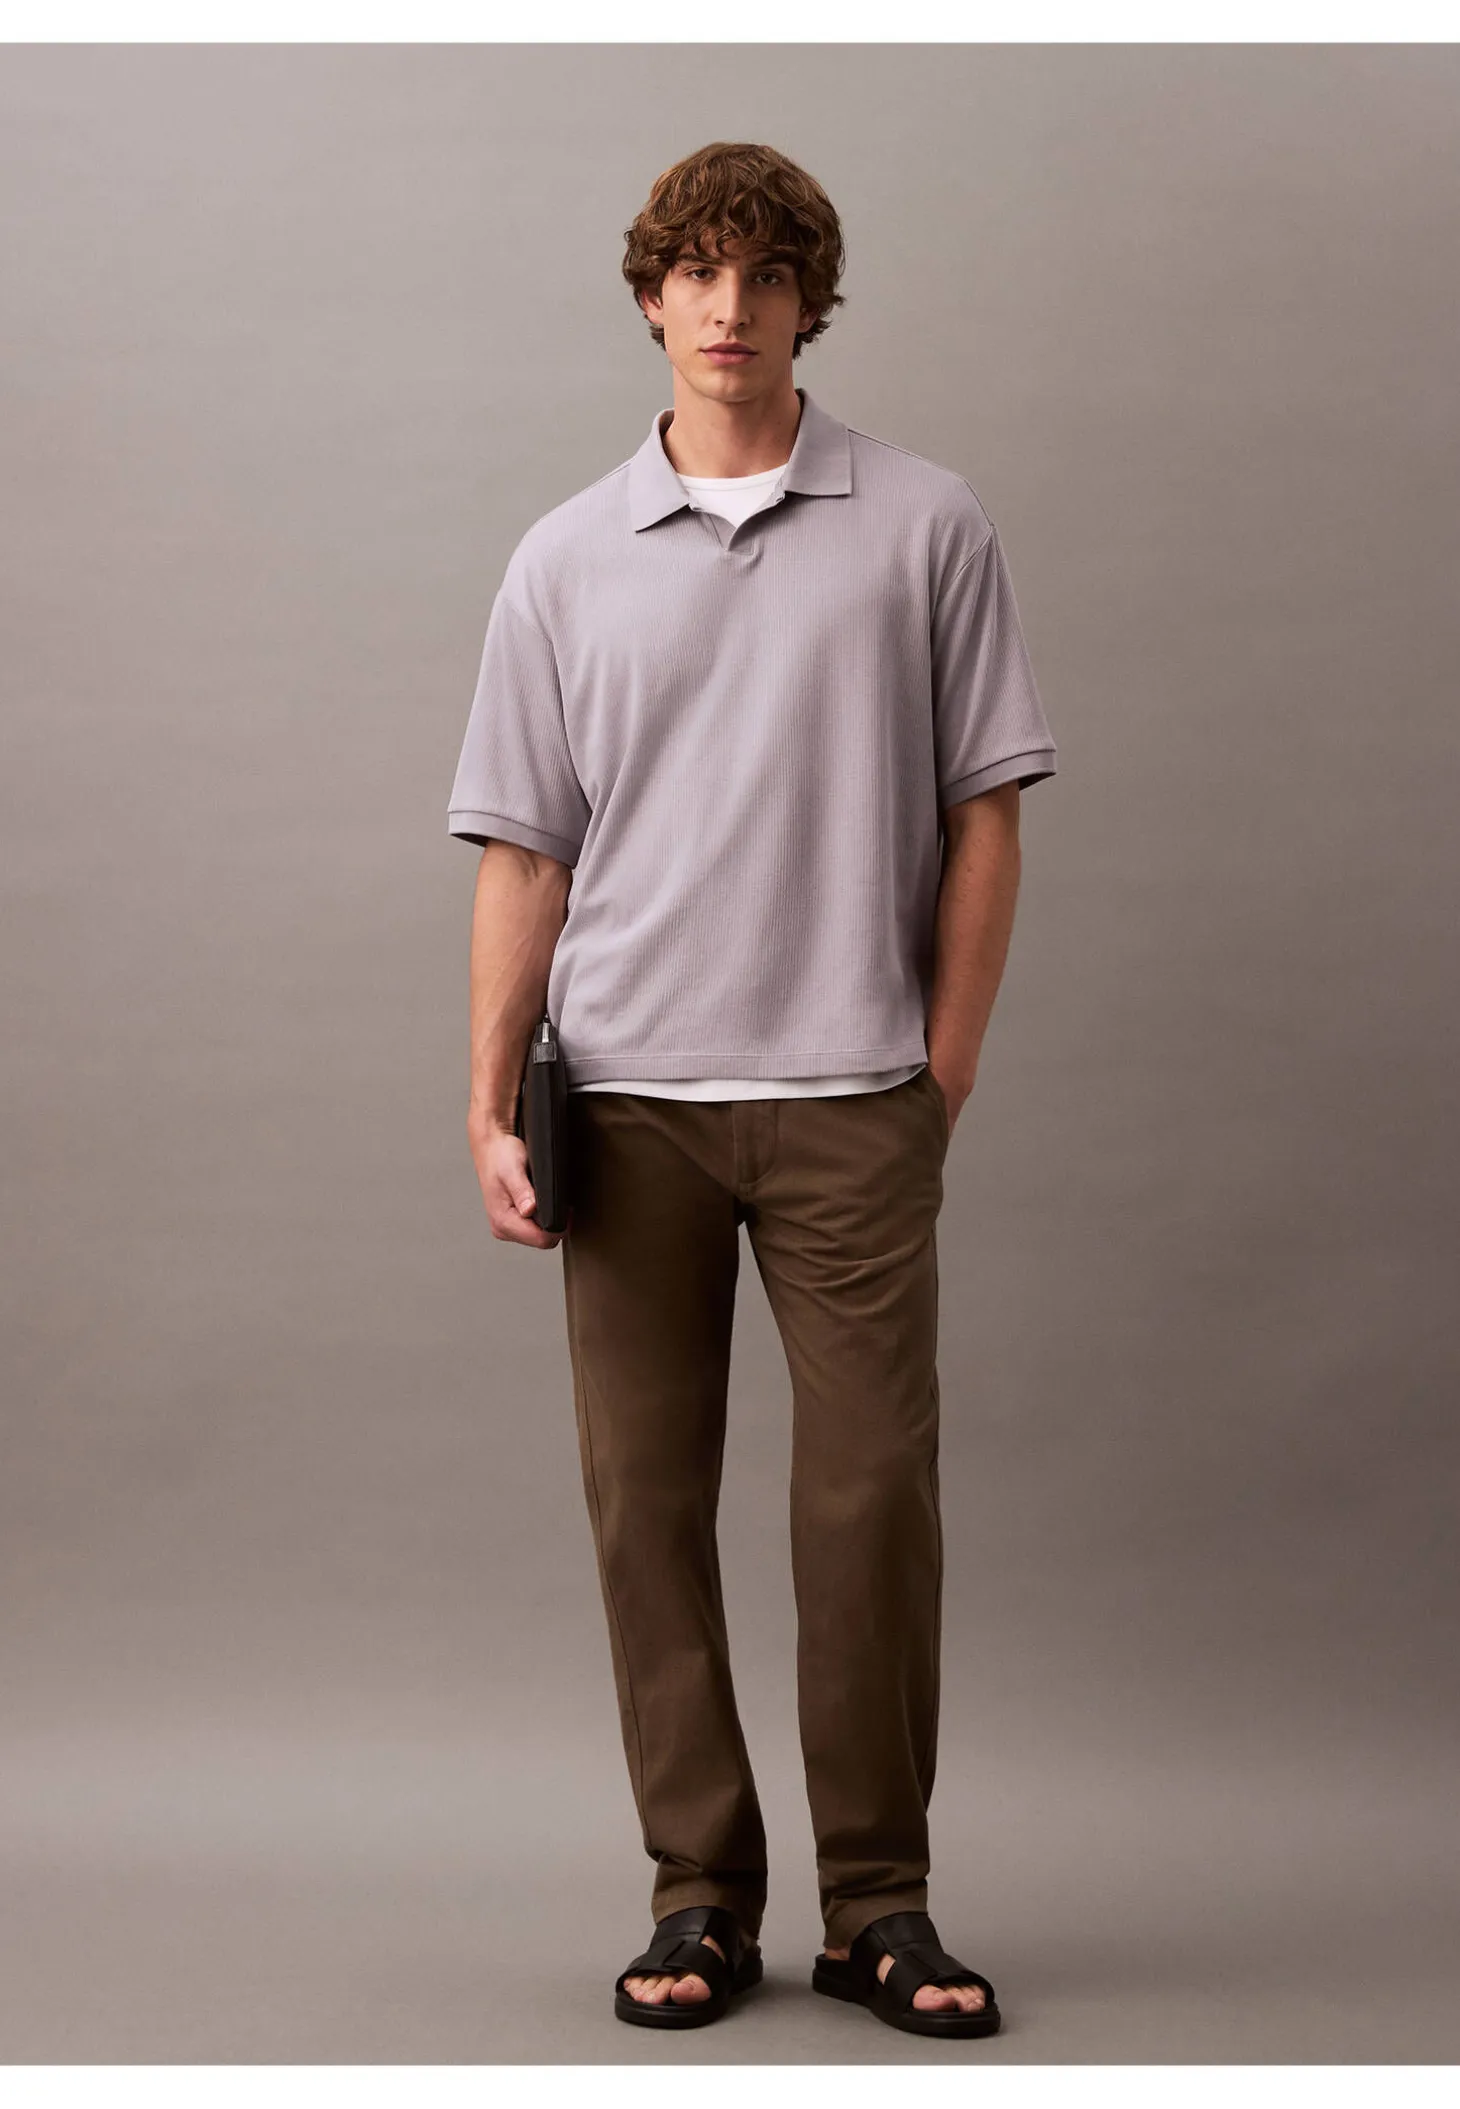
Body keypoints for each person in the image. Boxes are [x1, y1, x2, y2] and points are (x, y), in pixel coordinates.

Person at [447, 141, 1056, 2040]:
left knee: (871, 1507)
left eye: (766, 274)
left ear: (810, 303)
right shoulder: (564, 556)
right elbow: (525, 851)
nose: (730, 306)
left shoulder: (928, 523)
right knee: (647, 1510)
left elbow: (985, 814)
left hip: (856, 1097)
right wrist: (486, 1101)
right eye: (697, 273)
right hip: (626, 1105)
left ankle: (881, 1904)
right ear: (652, 298)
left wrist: (940, 1074)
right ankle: (699, 1891)